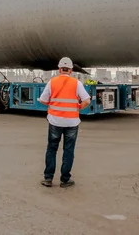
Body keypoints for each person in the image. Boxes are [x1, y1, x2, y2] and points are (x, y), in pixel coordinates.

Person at [38, 57, 91, 188]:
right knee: (68, 150)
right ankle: (65, 180)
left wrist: (52, 103)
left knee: (51, 149)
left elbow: (44, 100)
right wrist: (78, 107)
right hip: (72, 122)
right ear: (71, 70)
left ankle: (48, 178)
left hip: (55, 121)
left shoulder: (52, 82)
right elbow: (87, 100)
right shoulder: (76, 83)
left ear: (59, 69)